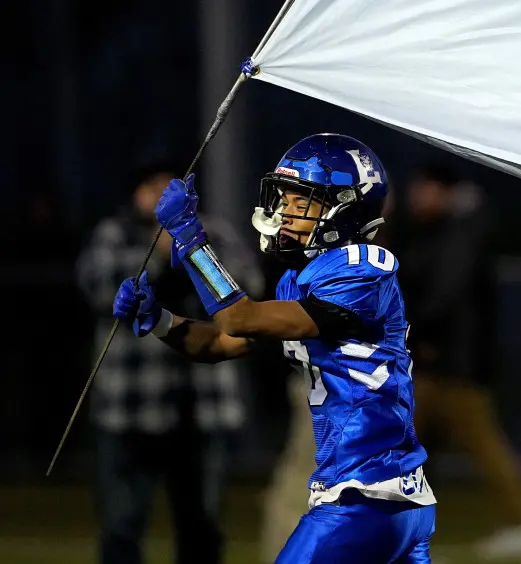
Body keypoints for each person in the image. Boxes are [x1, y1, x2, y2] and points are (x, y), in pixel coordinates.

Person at [109, 134, 436, 563]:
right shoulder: (298, 280)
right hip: (388, 497)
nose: (285, 213)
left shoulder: (362, 268)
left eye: (303, 203)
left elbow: (238, 318)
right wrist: (161, 320)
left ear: (346, 207)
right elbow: (222, 342)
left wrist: (190, 241)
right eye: (285, 199)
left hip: (364, 495)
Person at [79, 162, 261, 564]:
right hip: (128, 407)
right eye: (151, 186)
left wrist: (192, 251)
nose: (159, 194)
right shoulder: (115, 234)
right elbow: (100, 290)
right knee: (121, 525)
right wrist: (158, 261)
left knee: (202, 526)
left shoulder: (212, 234)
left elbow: (249, 296)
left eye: (169, 187)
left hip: (201, 407)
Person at [386, 160, 521, 559]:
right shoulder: (441, 230)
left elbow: (444, 296)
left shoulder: (458, 233)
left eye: (424, 189)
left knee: (470, 445)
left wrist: (417, 336)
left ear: (443, 191)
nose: (415, 198)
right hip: (441, 360)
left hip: (450, 363)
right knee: (411, 452)